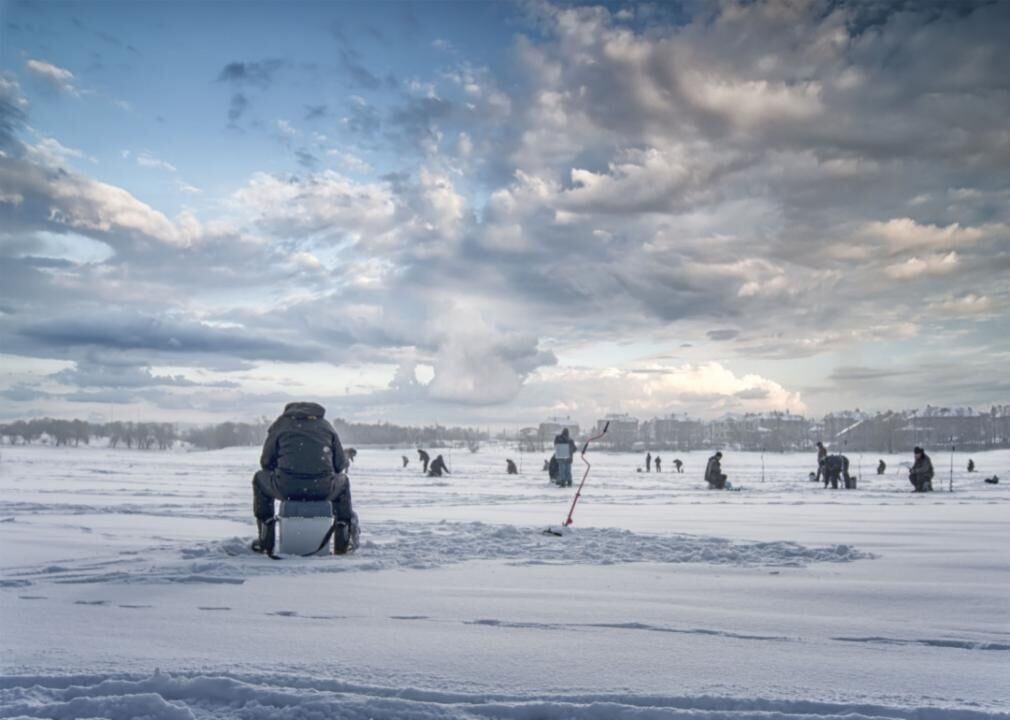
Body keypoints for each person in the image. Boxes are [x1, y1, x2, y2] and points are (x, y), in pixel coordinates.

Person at [251, 402, 353, 555]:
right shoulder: (326, 426)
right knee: (343, 482)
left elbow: (265, 462)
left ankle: (266, 538)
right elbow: (339, 466)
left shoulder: (280, 425)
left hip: (286, 488)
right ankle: (342, 540)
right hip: (323, 489)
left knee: (259, 478)